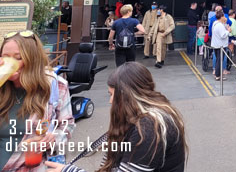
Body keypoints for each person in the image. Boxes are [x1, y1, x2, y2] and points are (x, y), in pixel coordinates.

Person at [47, 62, 186, 172]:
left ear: (126, 96)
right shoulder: (146, 117)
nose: (110, 101)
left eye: (112, 95)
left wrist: (69, 170)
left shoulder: (149, 128)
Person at [0, 30, 74, 171]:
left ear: (32, 60)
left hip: (31, 167)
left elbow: (67, 124)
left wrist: (54, 138)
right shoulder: (2, 87)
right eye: (5, 56)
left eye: (18, 57)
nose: (10, 62)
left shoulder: (54, 85)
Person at [211, 10, 230, 80]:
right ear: (221, 17)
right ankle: (218, 75)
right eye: (224, 16)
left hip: (216, 44)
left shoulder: (215, 23)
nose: (225, 17)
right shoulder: (219, 25)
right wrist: (228, 31)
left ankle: (217, 73)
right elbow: (223, 35)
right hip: (221, 45)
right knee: (220, 60)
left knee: (218, 60)